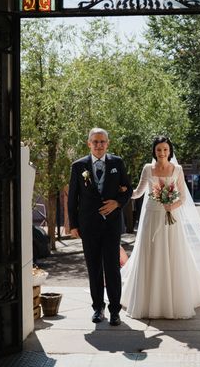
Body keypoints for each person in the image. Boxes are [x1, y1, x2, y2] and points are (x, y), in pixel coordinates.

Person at [120, 136, 200, 319]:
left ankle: (171, 301)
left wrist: (170, 206)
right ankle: (147, 301)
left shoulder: (178, 169)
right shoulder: (147, 169)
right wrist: (124, 191)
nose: (162, 153)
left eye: (165, 149)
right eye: (159, 150)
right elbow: (138, 192)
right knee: (150, 254)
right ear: (154, 151)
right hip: (151, 217)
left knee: (172, 255)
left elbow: (182, 197)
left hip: (171, 218)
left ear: (170, 151)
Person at [68, 127, 133, 326]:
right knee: (93, 267)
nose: (99, 145)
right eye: (95, 142)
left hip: (112, 224)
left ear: (108, 143)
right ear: (89, 143)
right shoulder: (78, 166)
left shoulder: (117, 163)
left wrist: (117, 202)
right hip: (88, 225)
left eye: (102, 142)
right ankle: (98, 308)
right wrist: (73, 225)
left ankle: (115, 311)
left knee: (112, 267)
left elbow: (128, 189)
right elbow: (73, 198)